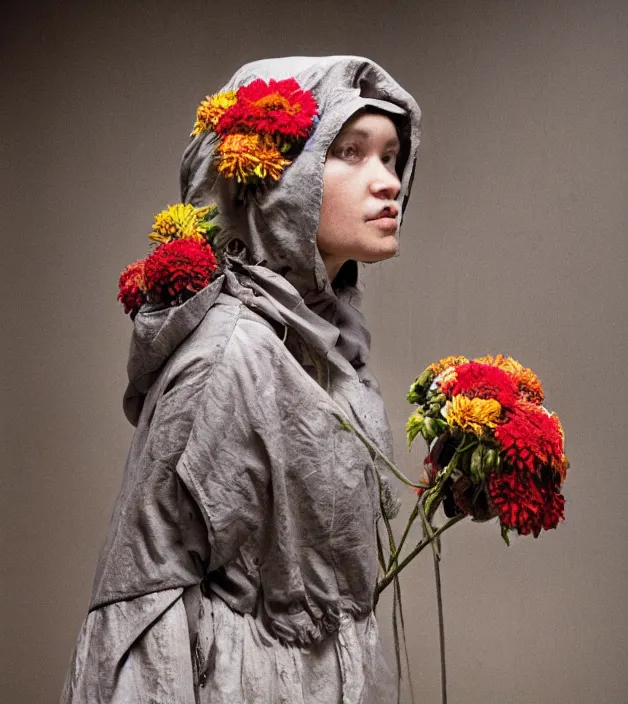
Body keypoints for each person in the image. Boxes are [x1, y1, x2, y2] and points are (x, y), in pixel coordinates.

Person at [61, 55, 421, 704]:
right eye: (350, 152)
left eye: (392, 157)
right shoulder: (227, 355)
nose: (387, 181)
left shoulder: (333, 348)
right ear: (278, 179)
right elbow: (146, 607)